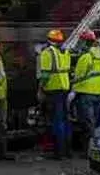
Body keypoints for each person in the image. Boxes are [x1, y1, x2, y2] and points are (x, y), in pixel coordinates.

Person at [38, 29, 72, 160]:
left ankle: (59, 153)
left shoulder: (47, 53)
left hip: (53, 90)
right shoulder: (65, 52)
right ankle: (67, 151)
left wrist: (40, 89)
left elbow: (45, 74)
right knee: (65, 120)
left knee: (57, 121)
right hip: (65, 87)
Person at [72, 30, 100, 141]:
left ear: (85, 42)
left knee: (87, 122)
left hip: (86, 92)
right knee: (94, 121)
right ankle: (95, 145)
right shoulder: (98, 55)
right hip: (99, 92)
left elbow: (78, 76)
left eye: (81, 41)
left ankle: (89, 149)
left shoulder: (85, 57)